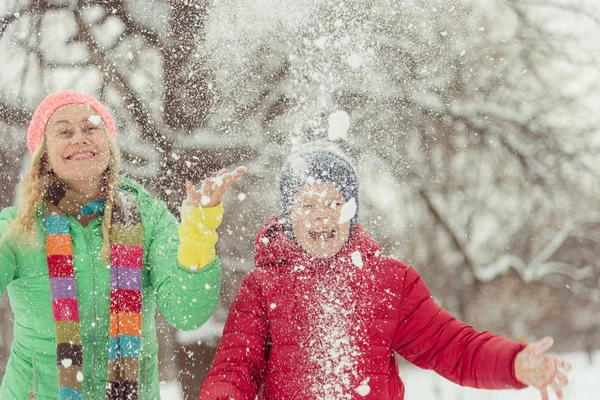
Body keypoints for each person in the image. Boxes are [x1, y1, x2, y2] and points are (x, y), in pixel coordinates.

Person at [199, 147, 571, 400]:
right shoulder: (262, 287)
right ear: (288, 214)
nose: (321, 215)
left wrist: (514, 362)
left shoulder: (389, 283)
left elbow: (450, 346)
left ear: (352, 212)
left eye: (334, 203)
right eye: (307, 203)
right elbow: (233, 371)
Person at [0, 90, 244, 399]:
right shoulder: (17, 227)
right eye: (64, 131)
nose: (80, 138)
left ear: (108, 144)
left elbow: (186, 313)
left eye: (91, 128)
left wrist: (197, 233)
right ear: (44, 156)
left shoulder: (150, 218)